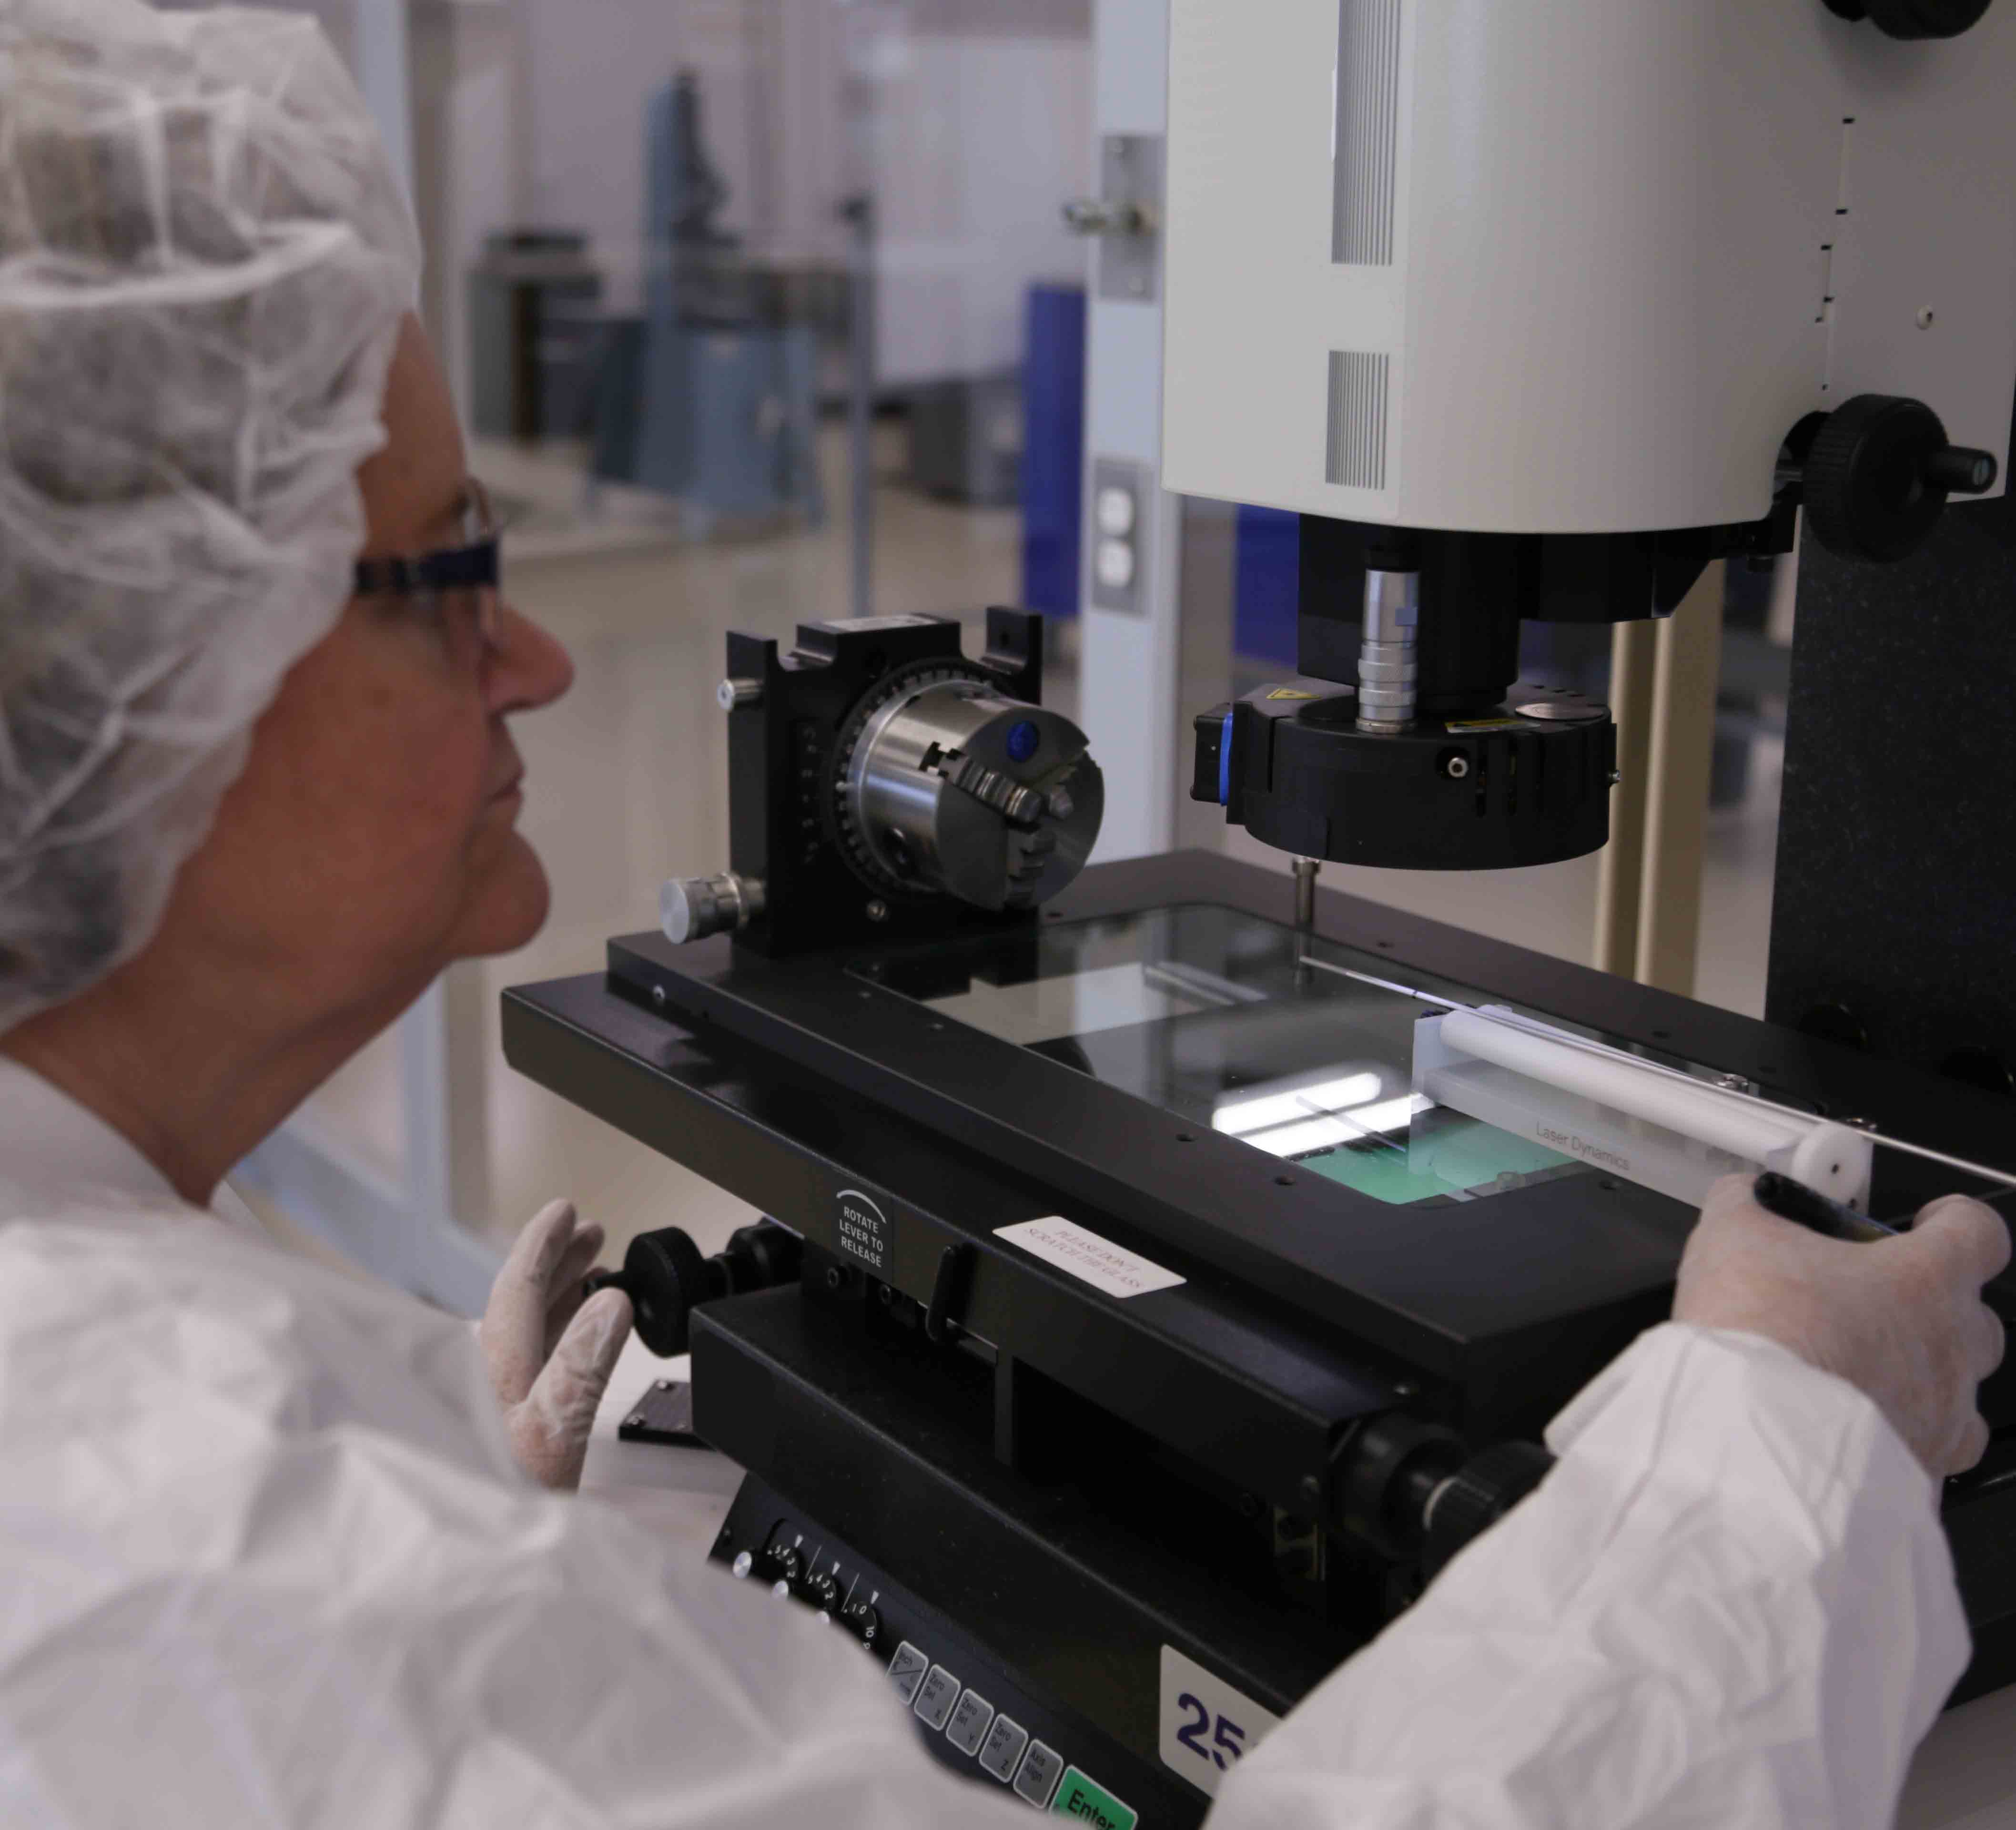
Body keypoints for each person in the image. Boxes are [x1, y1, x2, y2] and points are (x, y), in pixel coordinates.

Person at [0, 5, 2006, 1827]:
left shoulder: (158, 1407)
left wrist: (439, 1515)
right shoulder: (202, 1553)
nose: (531, 659)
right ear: (124, 683)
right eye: (449, 572)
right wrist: (1770, 1466)